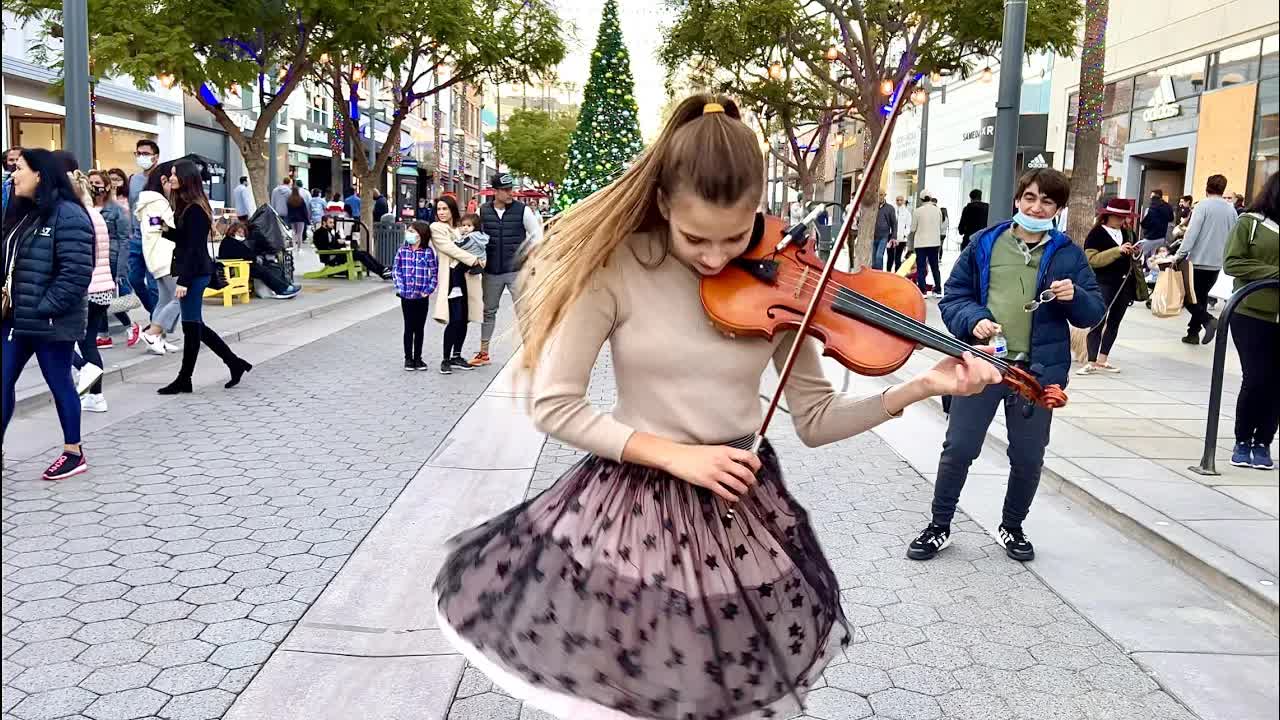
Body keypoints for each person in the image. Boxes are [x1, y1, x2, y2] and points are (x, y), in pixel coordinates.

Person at [432, 95, 1001, 720]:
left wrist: (921, 387)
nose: (714, 256)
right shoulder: (617, 267)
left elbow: (815, 421)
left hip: (739, 507)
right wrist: (677, 456)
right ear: (663, 206)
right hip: (635, 505)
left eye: (733, 236)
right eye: (695, 237)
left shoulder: (781, 278)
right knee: (636, 691)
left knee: (720, 696)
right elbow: (555, 406)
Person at [907, 168, 1105, 563]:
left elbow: (1092, 312)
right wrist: (973, 319)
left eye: (1047, 201)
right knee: (959, 447)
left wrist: (1075, 296)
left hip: (1037, 374)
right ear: (1018, 199)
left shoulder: (1067, 253)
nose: (1036, 206)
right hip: (983, 363)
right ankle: (939, 525)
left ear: (1058, 209)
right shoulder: (985, 242)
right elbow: (954, 297)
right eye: (1030, 197)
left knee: (1029, 457)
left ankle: (1012, 526)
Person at [1, 148, 95, 480]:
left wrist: (44, 308)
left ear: (40, 174)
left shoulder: (68, 214)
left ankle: (74, 451)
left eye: (20, 168)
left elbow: (76, 273)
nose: (14, 174)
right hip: (15, 318)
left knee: (59, 383)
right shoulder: (23, 213)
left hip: (50, 320)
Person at [155, 161, 252, 395]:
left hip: (195, 273)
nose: (172, 177)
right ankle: (234, 363)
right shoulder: (187, 205)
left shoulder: (196, 209)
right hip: (194, 271)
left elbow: (195, 249)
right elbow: (185, 239)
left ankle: (185, 379)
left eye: (176, 174)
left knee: (192, 328)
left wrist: (184, 281)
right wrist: (165, 229)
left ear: (187, 178)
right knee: (196, 326)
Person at [1223, 173, 1279, 471]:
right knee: (1256, 378)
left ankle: (1264, 441)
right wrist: (1272, 272)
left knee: (1277, 383)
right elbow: (1232, 262)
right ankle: (1243, 439)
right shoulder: (1251, 222)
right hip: (1251, 313)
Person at [57, 159, 114, 415]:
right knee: (89, 341)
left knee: (63, 341)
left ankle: (85, 373)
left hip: (86, 289)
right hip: (102, 288)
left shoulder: (76, 216)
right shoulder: (96, 216)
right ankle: (96, 395)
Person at [469, 172, 543, 367]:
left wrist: (530, 259)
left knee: (524, 311)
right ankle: (483, 353)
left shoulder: (523, 211)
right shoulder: (482, 211)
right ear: (495, 191)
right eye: (506, 190)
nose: (511, 193)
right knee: (488, 311)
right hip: (491, 271)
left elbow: (537, 236)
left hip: (516, 271)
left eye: (511, 189)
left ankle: (530, 354)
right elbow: (473, 236)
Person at [1080, 199, 1142, 375]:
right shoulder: (1096, 234)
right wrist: (1117, 251)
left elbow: (1136, 259)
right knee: (1098, 320)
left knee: (1115, 321)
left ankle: (1103, 358)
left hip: (1124, 283)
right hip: (1103, 283)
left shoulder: (1129, 233)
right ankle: (1090, 360)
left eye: (1125, 217)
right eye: (1119, 217)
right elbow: (1092, 260)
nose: (1122, 221)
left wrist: (1136, 253)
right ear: (1108, 216)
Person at [1176, 174, 1237, 345]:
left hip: (1198, 260)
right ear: (1223, 188)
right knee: (1200, 296)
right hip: (1217, 263)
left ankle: (1208, 320)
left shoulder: (1202, 206)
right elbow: (1233, 235)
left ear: (1207, 186)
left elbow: (1191, 233)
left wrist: (1180, 254)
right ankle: (1193, 333)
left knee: (1187, 297)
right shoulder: (1231, 209)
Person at [430, 195, 484, 374]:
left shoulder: (459, 229)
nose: (441, 212)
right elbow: (449, 248)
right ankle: (446, 359)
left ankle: (457, 355)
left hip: (465, 277)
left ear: (452, 209)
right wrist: (474, 259)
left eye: (445, 208)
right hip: (451, 277)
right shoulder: (436, 227)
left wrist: (480, 259)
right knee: (454, 318)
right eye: (439, 209)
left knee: (464, 319)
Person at [135, 162, 182, 356]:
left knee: (164, 300)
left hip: (158, 256)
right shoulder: (156, 202)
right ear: (163, 180)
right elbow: (159, 225)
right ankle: (152, 333)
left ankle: (158, 339)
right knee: (181, 298)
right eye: (170, 178)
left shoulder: (151, 201)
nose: (173, 181)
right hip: (165, 256)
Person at [88, 170, 140, 348]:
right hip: (92, 259)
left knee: (105, 299)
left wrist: (121, 268)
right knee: (96, 298)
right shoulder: (86, 207)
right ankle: (103, 334)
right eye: (91, 182)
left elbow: (124, 239)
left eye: (97, 182)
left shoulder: (117, 209)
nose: (93, 186)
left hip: (110, 258)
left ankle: (130, 326)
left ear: (107, 186)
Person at [393, 222, 439, 371]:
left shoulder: (427, 252)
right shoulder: (402, 251)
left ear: (421, 235)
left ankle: (418, 358)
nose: (409, 233)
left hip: (421, 296)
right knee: (408, 327)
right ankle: (408, 358)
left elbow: (434, 272)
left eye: (412, 231)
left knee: (419, 328)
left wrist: (429, 290)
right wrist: (401, 288)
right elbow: (396, 271)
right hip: (406, 296)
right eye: (409, 231)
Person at [216, 221, 300, 299]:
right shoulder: (229, 242)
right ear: (232, 231)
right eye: (239, 232)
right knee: (263, 271)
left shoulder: (234, 242)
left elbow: (246, 254)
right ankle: (282, 289)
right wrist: (255, 258)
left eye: (243, 233)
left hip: (241, 266)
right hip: (236, 268)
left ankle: (286, 286)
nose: (241, 235)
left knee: (270, 266)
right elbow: (245, 254)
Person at [126, 138, 161, 314]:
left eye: (145, 154)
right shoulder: (133, 179)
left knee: (154, 284)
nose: (141, 157)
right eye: (138, 154)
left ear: (156, 157)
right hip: (136, 238)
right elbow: (132, 206)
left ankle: (157, 323)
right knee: (134, 280)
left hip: (155, 238)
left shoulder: (163, 179)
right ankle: (155, 314)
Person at [312, 215, 392, 279]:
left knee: (364, 253)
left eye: (333, 223)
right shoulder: (320, 233)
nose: (332, 225)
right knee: (361, 256)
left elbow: (333, 243)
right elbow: (325, 246)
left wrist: (340, 242)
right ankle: (381, 272)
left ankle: (382, 269)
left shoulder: (328, 232)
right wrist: (338, 244)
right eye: (330, 223)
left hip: (337, 253)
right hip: (332, 256)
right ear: (324, 223)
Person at [910, 192, 944, 297]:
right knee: (935, 266)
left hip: (921, 243)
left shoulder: (917, 211)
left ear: (921, 199)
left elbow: (913, 228)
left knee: (921, 267)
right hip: (934, 242)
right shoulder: (937, 210)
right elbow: (940, 226)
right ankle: (938, 290)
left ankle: (923, 290)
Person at [1140, 188, 1174, 258]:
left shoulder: (1151, 207)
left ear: (1156, 197)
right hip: (1161, 238)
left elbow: (1145, 223)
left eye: (1152, 196)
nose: (1150, 197)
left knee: (1142, 257)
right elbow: (1171, 218)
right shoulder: (1168, 207)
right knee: (1156, 258)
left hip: (1149, 237)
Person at [872, 191, 897, 271]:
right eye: (878, 195)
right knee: (873, 258)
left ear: (885, 196)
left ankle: (879, 275)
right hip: (872, 236)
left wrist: (893, 236)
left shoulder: (890, 208)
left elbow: (894, 223)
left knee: (879, 256)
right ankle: (874, 275)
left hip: (884, 236)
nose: (880, 197)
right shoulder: (872, 207)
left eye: (882, 195)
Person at [285, 180, 310, 250]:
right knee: (300, 233)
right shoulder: (301, 199)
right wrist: (307, 219)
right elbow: (304, 210)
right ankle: (299, 247)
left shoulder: (289, 200)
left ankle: (293, 245)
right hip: (300, 219)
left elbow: (288, 210)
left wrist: (289, 218)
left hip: (292, 218)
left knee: (294, 232)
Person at [889, 195, 911, 273]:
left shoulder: (907, 212)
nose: (899, 202)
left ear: (903, 201)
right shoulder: (892, 210)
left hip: (902, 239)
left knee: (898, 258)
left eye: (901, 200)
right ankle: (888, 273)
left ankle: (897, 274)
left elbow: (908, 226)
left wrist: (905, 234)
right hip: (892, 237)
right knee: (890, 257)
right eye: (897, 200)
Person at [2, 146, 20, 218]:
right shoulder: (4, 185)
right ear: (5, 163)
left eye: (18, 159)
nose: (15, 163)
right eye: (11, 160)